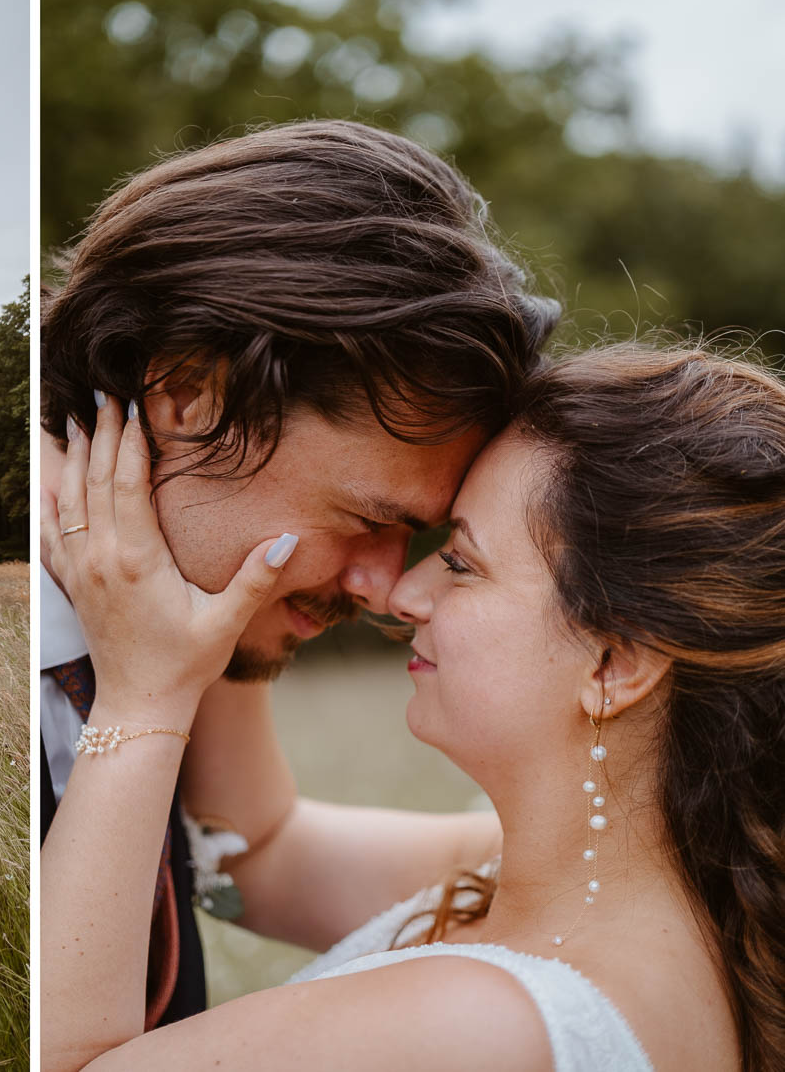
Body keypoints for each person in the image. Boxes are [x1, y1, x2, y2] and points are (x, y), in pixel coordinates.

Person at [40, 343, 785, 1071]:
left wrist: (145, 694)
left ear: (614, 662)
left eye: (461, 562)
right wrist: (220, 519)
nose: (402, 593)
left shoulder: (476, 1026)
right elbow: (262, 853)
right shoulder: (649, 895)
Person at [39, 119, 559, 1026]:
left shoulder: (185, 593)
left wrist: (643, 856)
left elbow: (257, 850)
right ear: (190, 394)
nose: (389, 586)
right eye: (368, 519)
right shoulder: (4, 628)